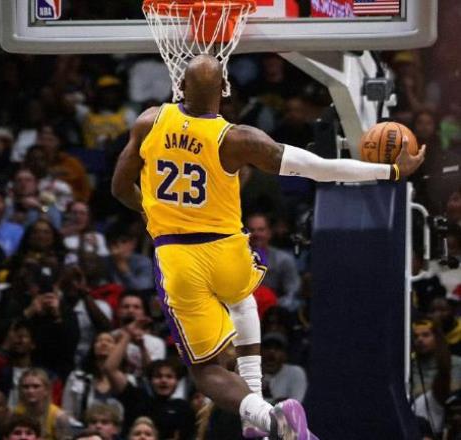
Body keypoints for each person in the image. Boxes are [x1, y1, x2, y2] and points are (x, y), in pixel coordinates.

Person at [111, 54, 425, 439]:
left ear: (179, 86)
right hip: (226, 250)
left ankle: (264, 417)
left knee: (205, 369)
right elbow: (317, 167)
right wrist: (390, 170)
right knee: (241, 299)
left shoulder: (149, 122)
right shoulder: (236, 138)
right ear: (225, 90)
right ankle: (255, 412)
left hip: (176, 254)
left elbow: (119, 187)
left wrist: (155, 214)